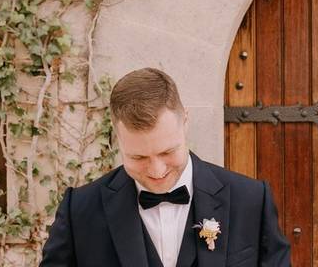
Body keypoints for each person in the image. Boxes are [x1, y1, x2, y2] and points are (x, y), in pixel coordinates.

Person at [40, 67, 291, 267]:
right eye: (138, 157)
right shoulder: (80, 211)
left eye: (167, 152)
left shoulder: (251, 200)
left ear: (186, 122)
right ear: (118, 137)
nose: (157, 171)